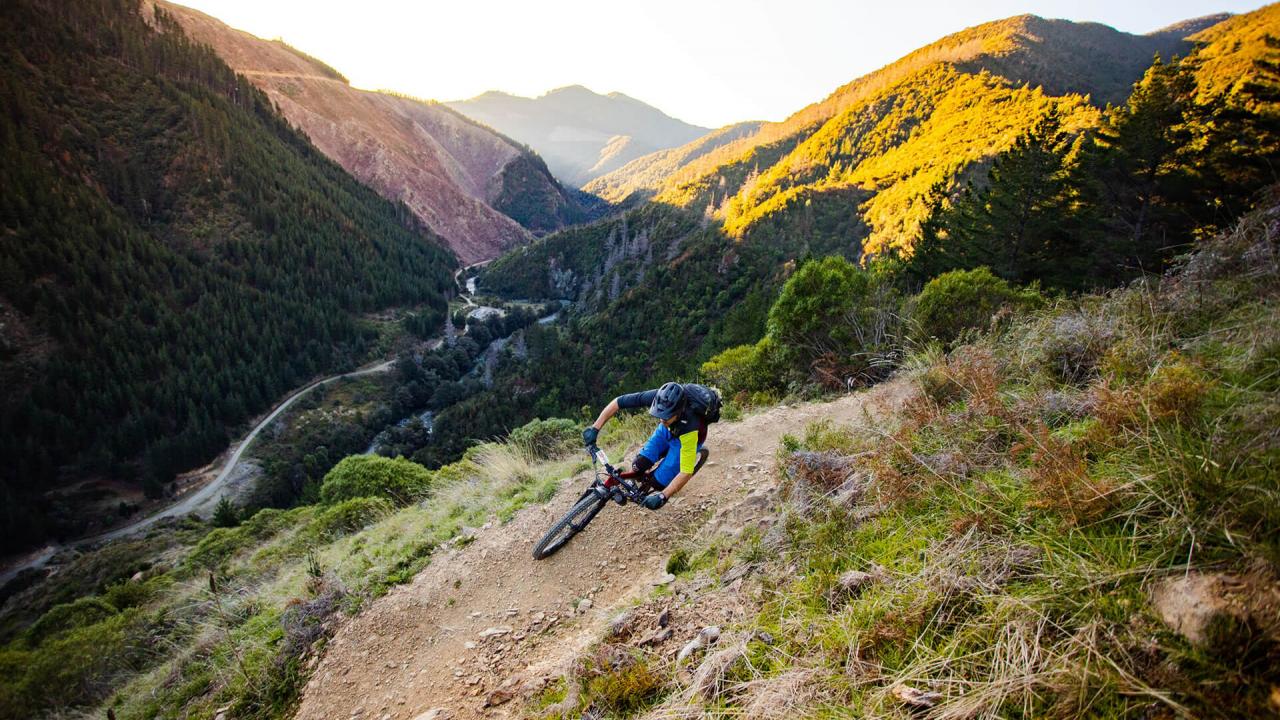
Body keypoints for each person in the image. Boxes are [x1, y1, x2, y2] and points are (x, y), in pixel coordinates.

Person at [582, 382, 719, 510]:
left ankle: (653, 483)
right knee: (639, 465)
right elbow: (619, 402)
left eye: (665, 417)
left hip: (685, 439)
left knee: (658, 483)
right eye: (660, 415)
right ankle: (644, 475)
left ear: (678, 412)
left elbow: (686, 472)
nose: (661, 419)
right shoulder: (660, 398)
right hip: (667, 430)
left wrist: (663, 496)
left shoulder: (690, 429)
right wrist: (595, 428)